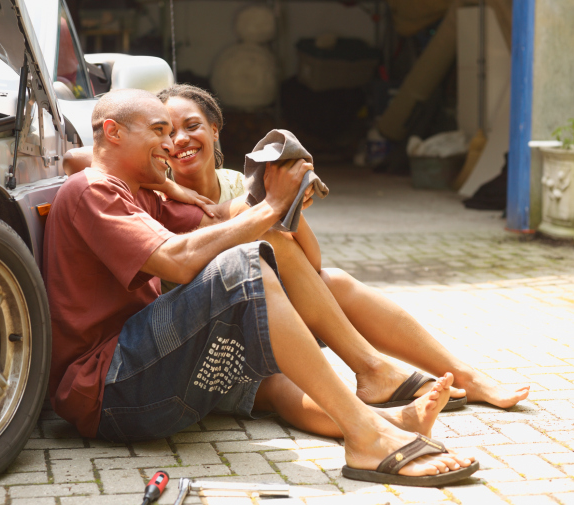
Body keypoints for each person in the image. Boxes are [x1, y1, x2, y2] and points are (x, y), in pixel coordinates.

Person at [44, 88, 478, 486]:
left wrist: (280, 197)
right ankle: (365, 431)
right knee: (242, 264)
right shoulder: (92, 190)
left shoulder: (143, 193)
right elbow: (178, 259)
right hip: (108, 388)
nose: (169, 143)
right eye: (159, 131)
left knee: (260, 247)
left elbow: (227, 224)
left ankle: (380, 399)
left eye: (176, 130)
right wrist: (270, 204)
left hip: (141, 376)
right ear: (114, 132)